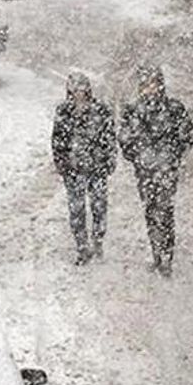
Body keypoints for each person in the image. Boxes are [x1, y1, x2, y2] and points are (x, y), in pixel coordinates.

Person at [119, 66, 193, 277]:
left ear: (160, 85)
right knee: (150, 210)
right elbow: (124, 138)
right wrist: (137, 157)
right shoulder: (132, 110)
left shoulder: (174, 108)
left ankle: (167, 256)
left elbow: (189, 134)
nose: (150, 88)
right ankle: (156, 252)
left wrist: (173, 154)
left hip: (166, 170)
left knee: (165, 210)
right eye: (146, 84)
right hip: (144, 171)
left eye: (153, 83)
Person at [52, 71, 117, 265]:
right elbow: (57, 140)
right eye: (75, 89)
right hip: (73, 169)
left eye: (82, 88)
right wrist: (61, 162)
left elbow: (109, 137)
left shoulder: (101, 110)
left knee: (99, 207)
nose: (79, 92)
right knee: (76, 210)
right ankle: (82, 247)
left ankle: (97, 240)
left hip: (97, 167)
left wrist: (109, 160)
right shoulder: (63, 111)